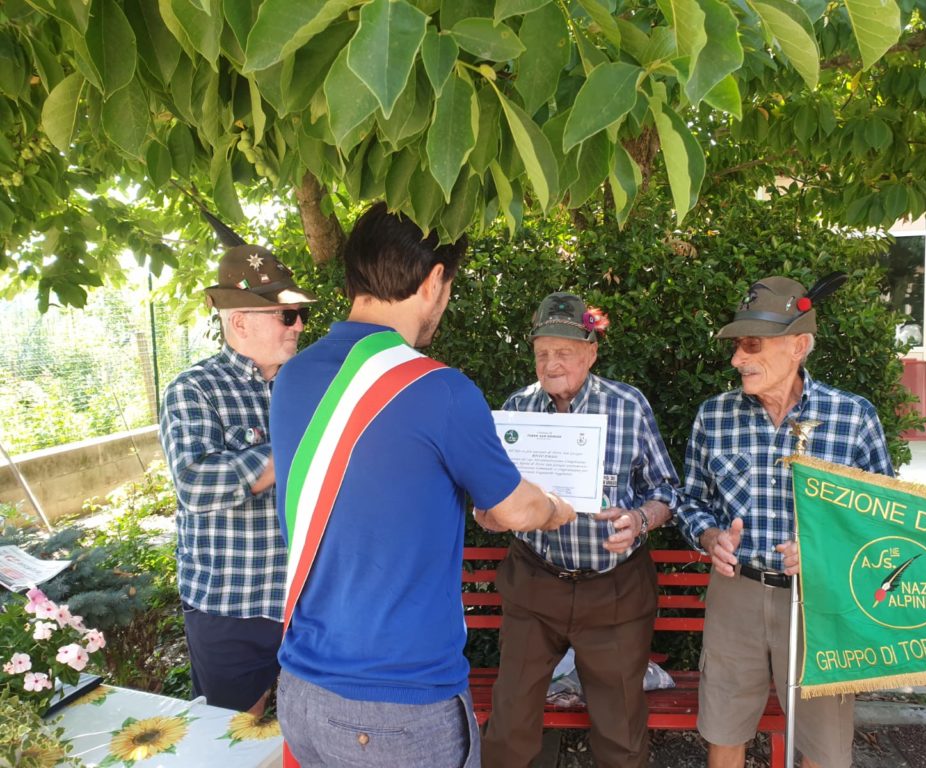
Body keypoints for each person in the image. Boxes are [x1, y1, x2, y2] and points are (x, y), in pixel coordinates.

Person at [269, 202, 575, 768]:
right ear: (434, 280)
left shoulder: (293, 377)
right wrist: (558, 507)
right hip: (396, 706)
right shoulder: (440, 389)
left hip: (302, 688)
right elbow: (514, 509)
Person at [678, 276, 893, 768]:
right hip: (737, 592)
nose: (737, 359)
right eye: (737, 345)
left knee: (822, 741)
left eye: (751, 345)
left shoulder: (852, 416)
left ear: (798, 346)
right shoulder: (714, 416)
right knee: (724, 728)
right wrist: (710, 537)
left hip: (822, 598)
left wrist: (828, 551)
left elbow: (884, 521)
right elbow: (690, 500)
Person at [480, 292, 680, 768]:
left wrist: (640, 521)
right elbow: (494, 496)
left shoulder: (628, 407)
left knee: (621, 732)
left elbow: (666, 491)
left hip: (613, 587)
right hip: (535, 581)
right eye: (542, 352)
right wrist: (487, 513)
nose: (551, 364)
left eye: (565, 351)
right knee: (510, 724)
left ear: (591, 352)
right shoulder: (517, 410)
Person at [159, 244, 316, 713]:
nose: (300, 326)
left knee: (308, 731)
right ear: (240, 321)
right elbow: (195, 484)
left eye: (298, 314)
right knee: (232, 738)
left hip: (305, 599)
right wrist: (298, 447)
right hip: (231, 604)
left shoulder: (309, 385)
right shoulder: (194, 389)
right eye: (286, 316)